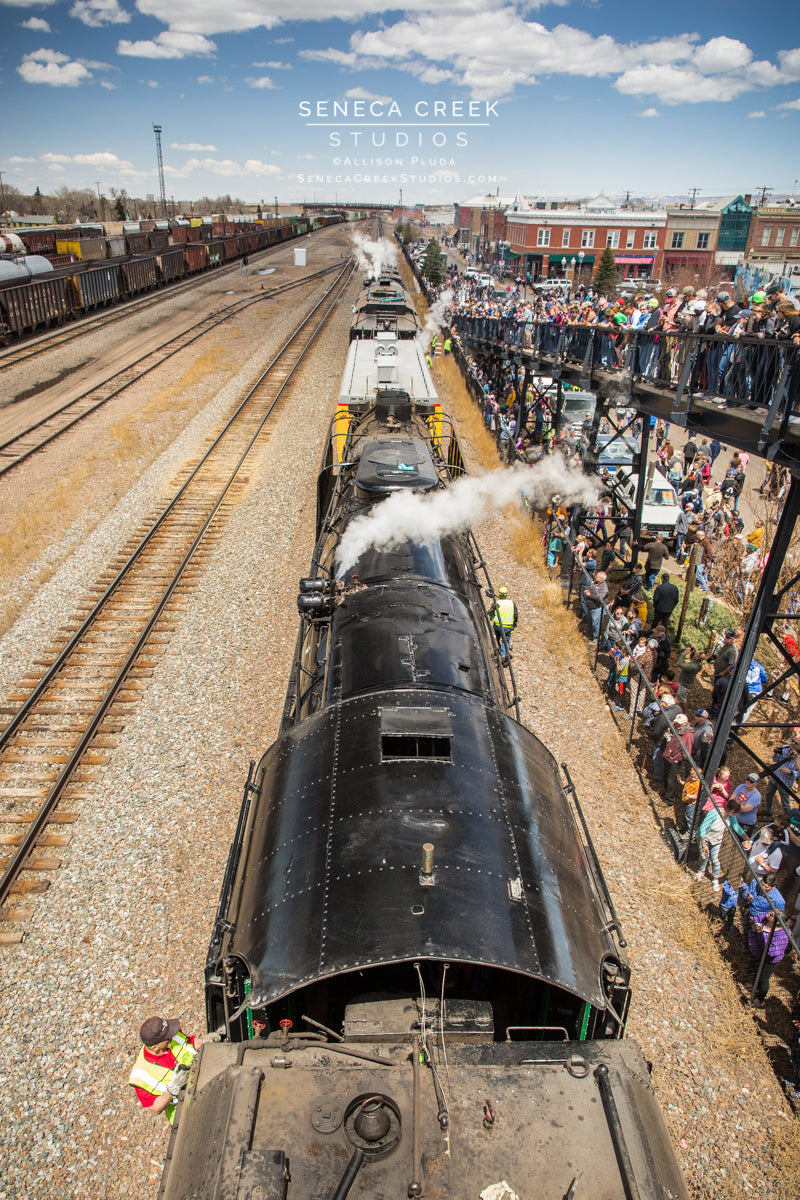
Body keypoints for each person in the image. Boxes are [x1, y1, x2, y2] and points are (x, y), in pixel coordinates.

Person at [129, 1015, 198, 1124]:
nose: (171, 1036)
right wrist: (171, 1090)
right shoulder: (140, 1076)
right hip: (185, 1112)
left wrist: (207, 1044)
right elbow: (154, 1109)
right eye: (167, 1038)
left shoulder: (170, 1035)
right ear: (154, 1048)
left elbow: (193, 1042)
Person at [695, 796, 743, 891]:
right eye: (736, 813)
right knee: (704, 856)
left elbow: (736, 826)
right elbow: (703, 828)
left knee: (715, 860)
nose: (736, 815)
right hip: (706, 838)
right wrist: (704, 844)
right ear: (732, 811)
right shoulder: (715, 813)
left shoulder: (730, 817)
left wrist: (746, 838)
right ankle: (702, 870)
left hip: (717, 841)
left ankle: (715, 878)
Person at [764, 729, 800, 818]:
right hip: (775, 777)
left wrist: (790, 771)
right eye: (793, 741)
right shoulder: (786, 748)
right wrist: (776, 752)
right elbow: (776, 759)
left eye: (796, 743)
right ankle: (768, 810)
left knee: (785, 802)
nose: (793, 744)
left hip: (786, 782)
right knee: (769, 794)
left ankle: (789, 817)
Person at [488, 585, 518, 662]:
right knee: (506, 641)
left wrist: (490, 619)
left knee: (496, 638)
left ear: (499, 594)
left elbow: (491, 613)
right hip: (507, 627)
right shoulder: (511, 603)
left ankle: (497, 649)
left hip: (497, 626)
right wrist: (514, 624)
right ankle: (504, 654)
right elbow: (516, 615)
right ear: (507, 594)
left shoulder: (496, 603)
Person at [730, 772, 763, 839]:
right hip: (734, 818)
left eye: (751, 781)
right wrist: (737, 804)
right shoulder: (741, 786)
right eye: (748, 779)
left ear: (756, 784)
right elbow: (731, 800)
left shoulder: (756, 795)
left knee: (741, 841)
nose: (748, 782)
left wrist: (735, 802)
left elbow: (745, 809)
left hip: (745, 823)